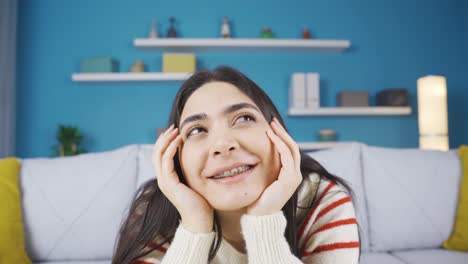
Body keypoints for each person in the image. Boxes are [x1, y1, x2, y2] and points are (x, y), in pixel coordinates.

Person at [112, 66, 361, 264]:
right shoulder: (154, 210)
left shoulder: (323, 200)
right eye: (197, 129)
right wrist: (194, 227)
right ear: (177, 156)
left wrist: (264, 222)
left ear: (279, 133)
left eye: (243, 118)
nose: (222, 144)